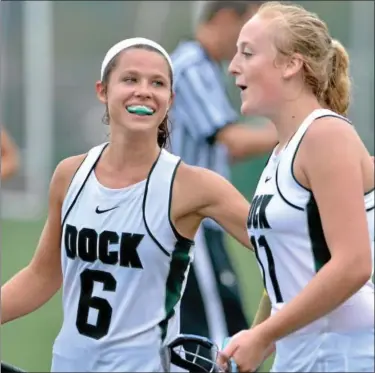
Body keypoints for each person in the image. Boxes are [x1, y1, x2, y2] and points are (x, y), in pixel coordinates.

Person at [0, 37, 255, 373]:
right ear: (102, 91)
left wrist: (264, 333)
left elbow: (280, 252)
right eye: (130, 79)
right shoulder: (69, 175)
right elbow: (42, 275)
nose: (144, 91)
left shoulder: (193, 185)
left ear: (171, 99)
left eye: (158, 83)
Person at [219, 2, 374, 372]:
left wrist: (263, 336)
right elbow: (290, 277)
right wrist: (252, 338)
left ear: (292, 64)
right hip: (306, 355)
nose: (233, 66)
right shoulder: (283, 150)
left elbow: (353, 265)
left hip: (344, 357)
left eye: (248, 53)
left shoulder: (325, 134)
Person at [170, 0, 277, 348]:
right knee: (217, 339)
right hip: (190, 224)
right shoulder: (190, 67)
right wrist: (302, 127)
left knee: (227, 324)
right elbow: (233, 141)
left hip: (205, 223)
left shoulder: (208, 67)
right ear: (228, 18)